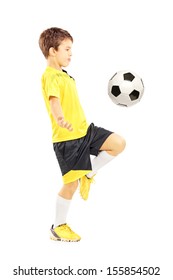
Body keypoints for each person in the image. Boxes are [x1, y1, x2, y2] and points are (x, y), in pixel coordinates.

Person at [39, 27, 126, 242]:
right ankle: (58, 227)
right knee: (70, 185)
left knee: (118, 143)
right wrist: (59, 118)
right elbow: (54, 101)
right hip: (68, 140)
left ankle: (88, 173)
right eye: (67, 49)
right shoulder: (50, 76)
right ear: (52, 51)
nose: (71, 53)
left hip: (85, 131)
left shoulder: (64, 74)